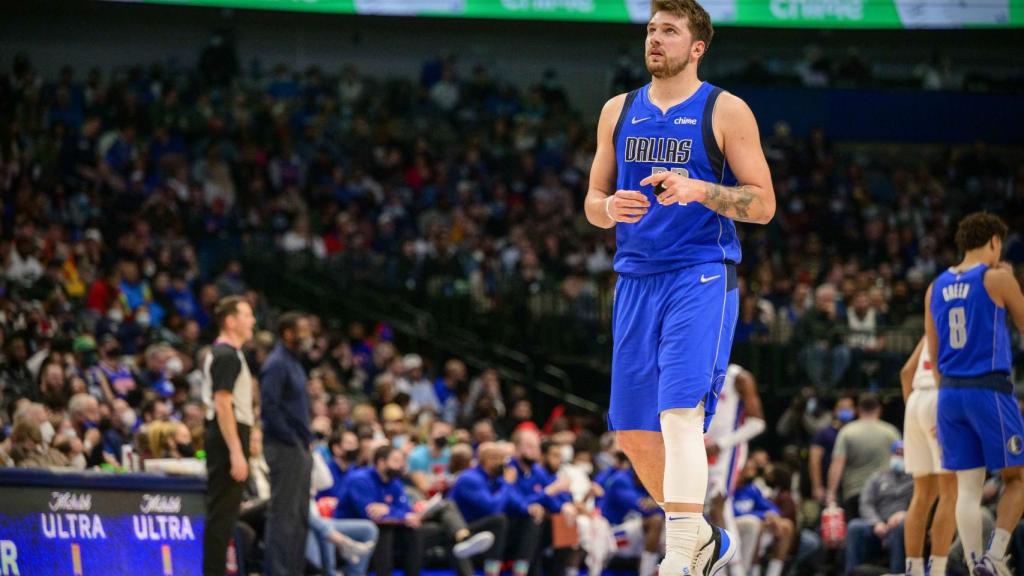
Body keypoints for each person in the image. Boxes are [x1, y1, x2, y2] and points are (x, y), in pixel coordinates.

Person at [583, 0, 775, 572]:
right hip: (634, 278)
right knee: (633, 433)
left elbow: (762, 203)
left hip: (700, 274)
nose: (655, 39)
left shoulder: (725, 109)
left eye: (669, 30)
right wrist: (609, 205)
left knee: (679, 415)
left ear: (697, 47)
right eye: (651, 29)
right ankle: (705, 537)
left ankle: (680, 554)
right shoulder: (618, 110)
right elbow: (592, 203)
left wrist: (698, 190)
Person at [926, 213, 1024, 576]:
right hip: (988, 388)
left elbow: (933, 356)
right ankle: (996, 556)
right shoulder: (997, 277)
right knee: (1017, 479)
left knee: (967, 487)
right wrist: (1011, 280)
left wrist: (942, 408)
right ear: (994, 242)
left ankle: (974, 566)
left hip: (949, 393)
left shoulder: (934, 287)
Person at [202, 295, 257, 576]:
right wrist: (236, 451)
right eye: (247, 315)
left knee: (225, 517)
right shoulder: (226, 355)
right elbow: (223, 403)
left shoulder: (228, 354)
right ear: (231, 321)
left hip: (231, 433)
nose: (253, 321)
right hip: (227, 436)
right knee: (221, 518)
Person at [260, 311, 314, 576]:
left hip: (299, 447)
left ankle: (294, 570)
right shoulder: (277, 363)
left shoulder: (295, 362)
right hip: (284, 447)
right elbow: (269, 406)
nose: (308, 336)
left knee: (300, 516)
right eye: (303, 330)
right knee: (283, 516)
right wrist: (291, 440)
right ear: (288, 333)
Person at [901, 337, 956, 576]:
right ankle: (937, 570)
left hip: (914, 401)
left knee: (922, 494)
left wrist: (916, 418)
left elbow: (906, 372)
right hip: (940, 397)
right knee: (950, 492)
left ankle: (913, 568)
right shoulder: (963, 316)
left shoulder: (929, 326)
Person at [704, 364, 766, 576]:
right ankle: (720, 570)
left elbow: (757, 424)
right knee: (710, 513)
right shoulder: (695, 370)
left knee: (718, 503)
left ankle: (737, 569)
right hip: (701, 449)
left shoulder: (739, 377)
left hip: (727, 451)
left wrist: (721, 444)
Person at [826, 393, 900, 520]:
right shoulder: (891, 432)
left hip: (855, 492)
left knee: (857, 532)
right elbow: (901, 460)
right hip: (884, 490)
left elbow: (837, 464)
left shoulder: (847, 432)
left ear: (858, 410)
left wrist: (831, 493)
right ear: (879, 409)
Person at [844, 441, 913, 575]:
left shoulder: (916, 479)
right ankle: (850, 573)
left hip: (902, 525)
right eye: (897, 454)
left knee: (901, 526)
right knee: (854, 526)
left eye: (903, 454)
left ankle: (896, 573)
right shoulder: (877, 477)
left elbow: (921, 503)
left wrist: (906, 514)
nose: (900, 457)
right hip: (877, 525)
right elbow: (866, 502)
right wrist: (876, 522)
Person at [731, 460, 794, 576]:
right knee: (756, 523)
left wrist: (773, 517)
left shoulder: (751, 489)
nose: (753, 472)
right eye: (749, 469)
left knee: (787, 526)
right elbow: (731, 512)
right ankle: (753, 572)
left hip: (753, 523)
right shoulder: (730, 487)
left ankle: (774, 572)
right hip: (733, 524)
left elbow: (771, 508)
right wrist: (762, 515)